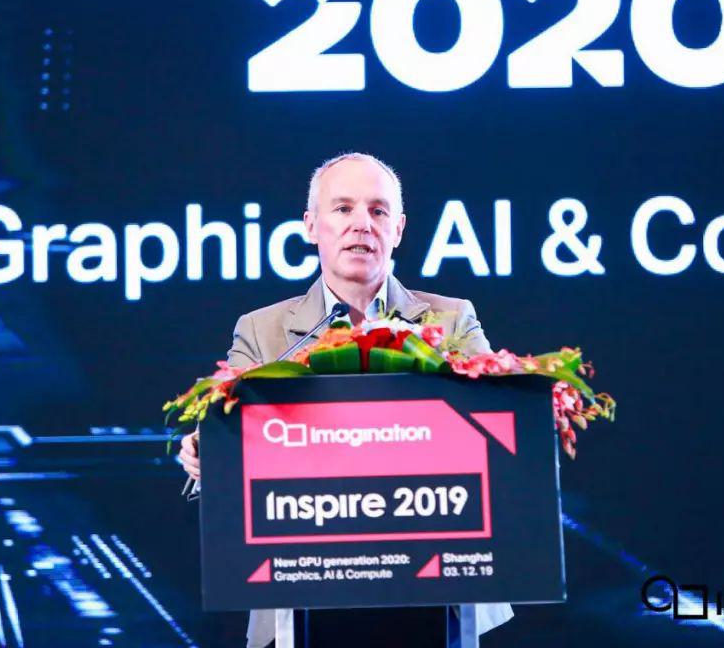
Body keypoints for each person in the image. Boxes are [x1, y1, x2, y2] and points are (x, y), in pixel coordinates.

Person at [178, 152, 513, 647]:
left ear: (398, 229)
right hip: (299, 592)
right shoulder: (264, 331)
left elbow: (499, 429)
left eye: (378, 211)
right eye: (342, 209)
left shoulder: (451, 320)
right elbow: (232, 434)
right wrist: (207, 453)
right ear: (311, 225)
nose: (362, 224)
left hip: (435, 590)